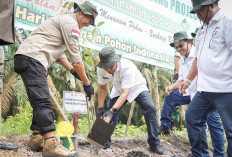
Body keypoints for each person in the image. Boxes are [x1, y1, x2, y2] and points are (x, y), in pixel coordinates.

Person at [14, 1, 97, 156]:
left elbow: (60, 54)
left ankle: (37, 138)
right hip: (34, 58)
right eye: (89, 21)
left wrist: (73, 72)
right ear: (83, 13)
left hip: (29, 57)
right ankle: (51, 143)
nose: (88, 24)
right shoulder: (70, 23)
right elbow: (76, 57)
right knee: (42, 101)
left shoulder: (64, 22)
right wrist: (87, 83)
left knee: (41, 98)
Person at [179, 0, 232, 156]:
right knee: (192, 117)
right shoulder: (202, 30)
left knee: (230, 131)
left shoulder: (226, 24)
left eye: (200, 10)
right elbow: (198, 59)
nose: (198, 15)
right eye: (195, 12)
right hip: (205, 89)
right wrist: (187, 80)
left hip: (225, 88)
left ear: (212, 5)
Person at [159, 31, 225, 156]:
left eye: (181, 45)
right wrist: (172, 87)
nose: (179, 49)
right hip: (191, 94)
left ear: (188, 42)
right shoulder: (183, 60)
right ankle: (165, 127)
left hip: (207, 94)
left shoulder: (198, 53)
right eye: (176, 47)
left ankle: (220, 154)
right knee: (172, 97)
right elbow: (182, 79)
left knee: (213, 123)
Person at [96, 47, 166, 155]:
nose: (108, 70)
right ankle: (103, 143)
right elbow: (102, 88)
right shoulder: (101, 68)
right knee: (108, 116)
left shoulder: (127, 67)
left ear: (116, 61)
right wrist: (100, 107)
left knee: (150, 108)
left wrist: (112, 110)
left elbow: (126, 93)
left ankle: (154, 143)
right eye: (105, 67)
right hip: (119, 89)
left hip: (137, 87)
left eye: (110, 66)